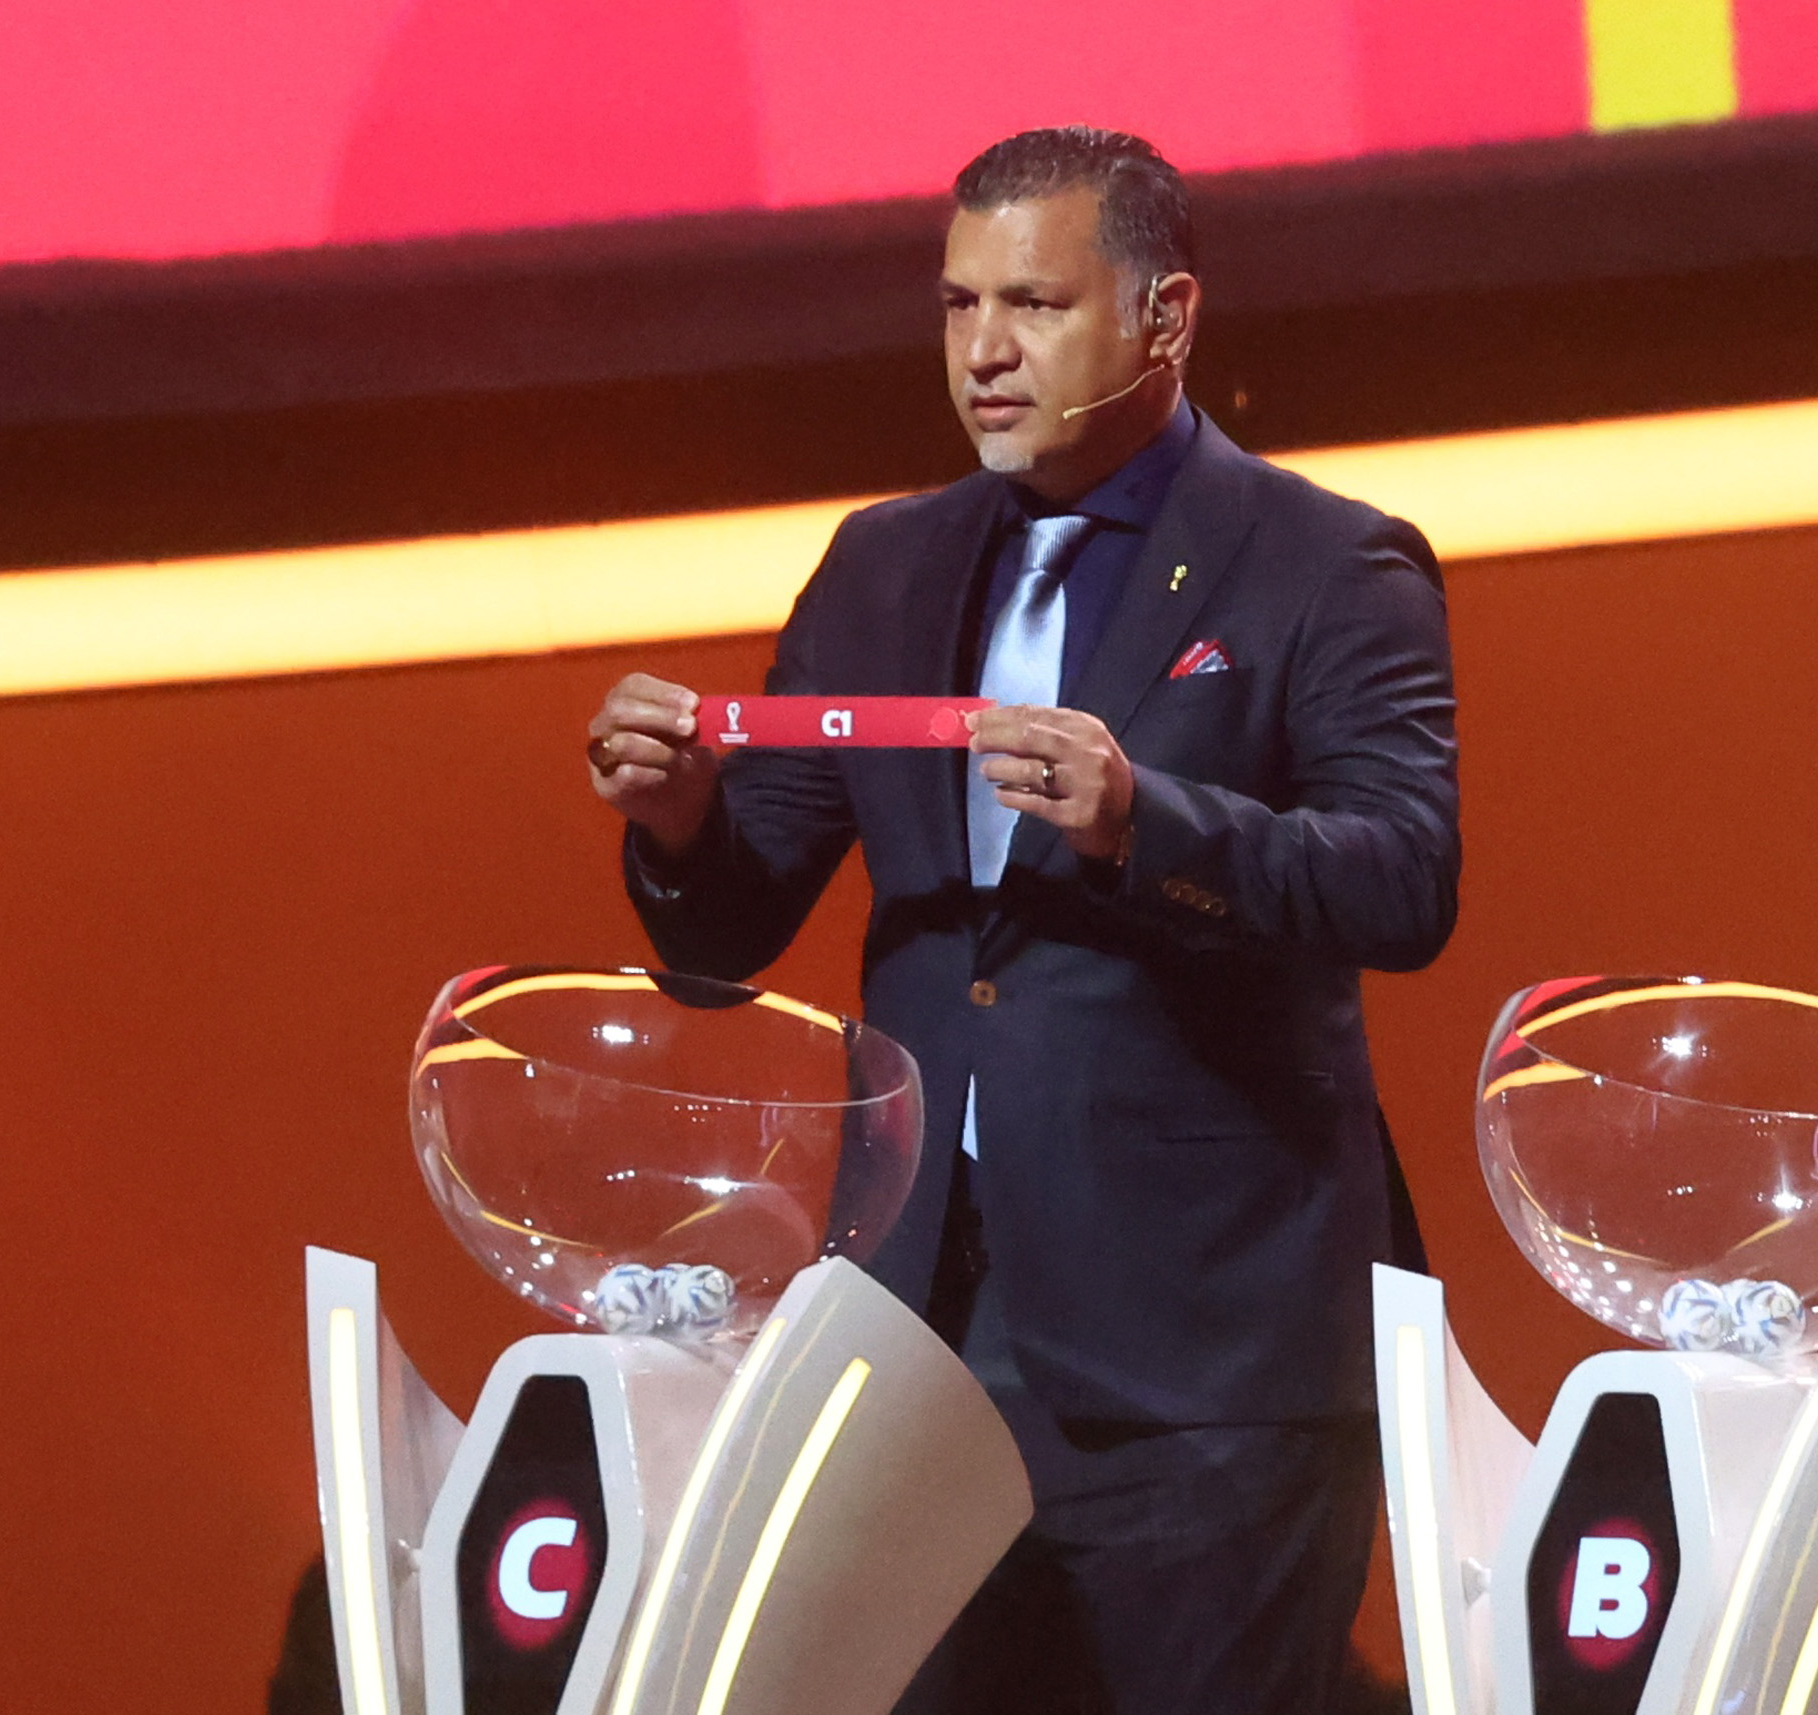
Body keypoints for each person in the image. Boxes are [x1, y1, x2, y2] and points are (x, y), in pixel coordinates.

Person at [588, 127, 1457, 1715]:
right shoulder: (884, 564)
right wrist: (676, 823)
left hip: (1207, 1362)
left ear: (1164, 318)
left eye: (1036, 306)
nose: (984, 353)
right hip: (919, 1341)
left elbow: (1403, 879)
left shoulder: (1329, 563)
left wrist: (1146, 822)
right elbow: (725, 936)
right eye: (958, 305)